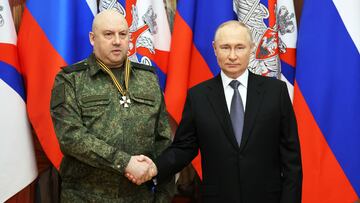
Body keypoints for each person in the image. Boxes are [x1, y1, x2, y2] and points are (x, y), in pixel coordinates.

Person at [127, 20, 302, 202]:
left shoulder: (276, 92)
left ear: (251, 48)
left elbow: (291, 160)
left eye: (239, 47)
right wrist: (155, 168)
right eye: (225, 47)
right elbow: (184, 148)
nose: (232, 56)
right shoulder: (198, 96)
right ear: (215, 49)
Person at [50, 9, 174, 202]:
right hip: (86, 196)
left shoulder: (148, 78)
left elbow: (163, 141)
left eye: (122, 34)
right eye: (108, 34)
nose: (117, 41)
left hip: (139, 197)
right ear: (92, 38)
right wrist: (125, 163)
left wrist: (163, 197)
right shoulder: (70, 80)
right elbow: (71, 137)